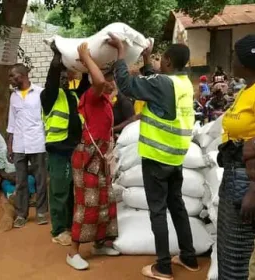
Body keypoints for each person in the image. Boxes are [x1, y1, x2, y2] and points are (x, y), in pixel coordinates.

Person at [108, 34, 198, 279]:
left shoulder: (162, 84)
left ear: (167, 60)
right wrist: (147, 60)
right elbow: (156, 84)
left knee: (157, 211)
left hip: (157, 157)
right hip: (175, 157)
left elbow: (128, 87)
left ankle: (163, 266)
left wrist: (120, 55)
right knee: (177, 206)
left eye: (161, 60)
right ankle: (189, 257)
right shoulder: (183, 84)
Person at [66, 42, 119, 270]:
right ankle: (72, 252)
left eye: (111, 78)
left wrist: (120, 53)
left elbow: (108, 80)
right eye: (108, 78)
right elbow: (97, 81)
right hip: (87, 158)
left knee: (105, 202)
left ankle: (99, 243)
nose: (111, 82)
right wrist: (86, 56)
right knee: (86, 205)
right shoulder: (91, 96)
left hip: (101, 158)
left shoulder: (106, 101)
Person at [215, 34, 255, 280]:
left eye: (234, 55)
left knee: (239, 253)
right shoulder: (245, 90)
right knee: (228, 249)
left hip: (247, 180)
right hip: (233, 174)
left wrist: (254, 188)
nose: (230, 60)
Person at [41, 43, 88, 246]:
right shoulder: (48, 96)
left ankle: (71, 225)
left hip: (76, 148)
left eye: (65, 76)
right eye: (59, 77)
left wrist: (87, 62)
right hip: (58, 150)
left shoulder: (74, 94)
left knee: (74, 190)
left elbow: (86, 85)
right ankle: (59, 230)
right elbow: (52, 81)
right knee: (60, 190)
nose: (63, 79)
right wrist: (57, 58)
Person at [7, 63, 48, 228]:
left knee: (40, 180)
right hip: (19, 144)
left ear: (21, 75)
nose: (10, 79)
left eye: (12, 76)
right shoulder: (13, 96)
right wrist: (10, 145)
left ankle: (41, 212)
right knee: (21, 181)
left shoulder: (39, 93)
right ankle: (21, 214)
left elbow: (45, 119)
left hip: (37, 142)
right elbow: (12, 122)